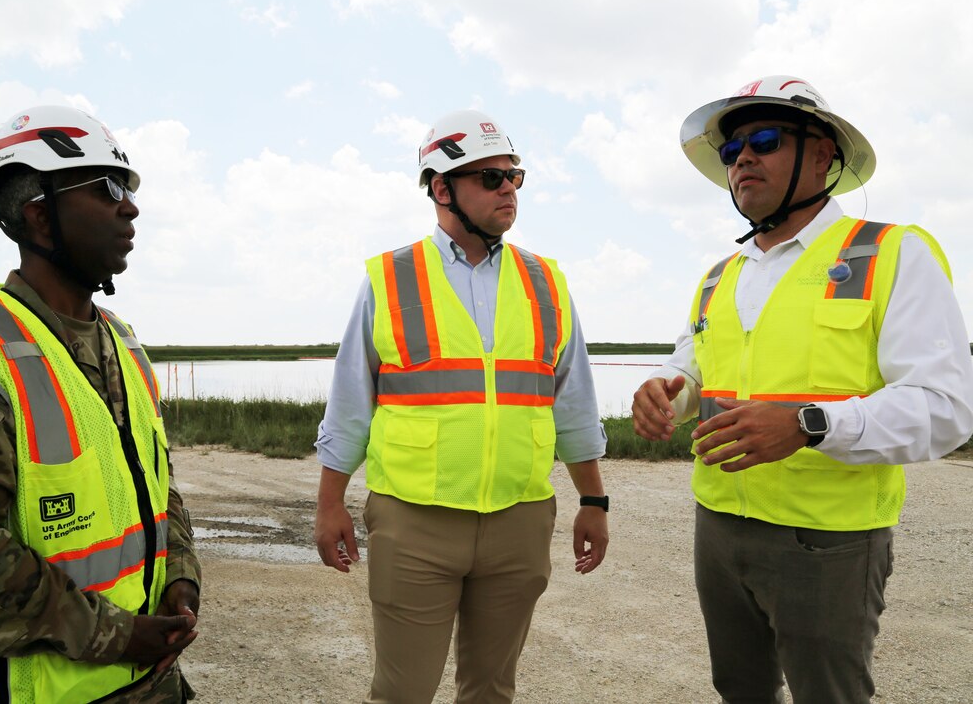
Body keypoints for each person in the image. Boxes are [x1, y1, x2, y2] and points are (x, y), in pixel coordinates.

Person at [632, 75, 973, 703]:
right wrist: (664, 394)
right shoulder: (718, 277)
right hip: (719, 524)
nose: (743, 160)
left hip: (828, 540)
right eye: (732, 152)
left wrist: (809, 424)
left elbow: (946, 409)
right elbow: (694, 369)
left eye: (764, 139)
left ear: (824, 155)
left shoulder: (892, 253)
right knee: (740, 689)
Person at [0, 106, 202, 703]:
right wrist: (118, 636)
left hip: (154, 682)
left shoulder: (123, 342)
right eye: (108, 188)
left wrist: (181, 578)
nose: (129, 207)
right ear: (39, 215)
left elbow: (159, 488)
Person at [313, 109, 609, 703]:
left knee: (492, 691)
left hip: (520, 519)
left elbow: (572, 402)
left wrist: (594, 501)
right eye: (490, 178)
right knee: (402, 692)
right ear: (441, 189)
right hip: (413, 520)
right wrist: (328, 503)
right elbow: (351, 403)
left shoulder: (547, 281)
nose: (508, 190)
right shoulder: (389, 279)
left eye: (514, 176)